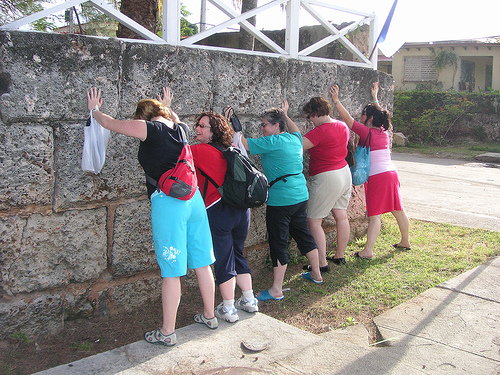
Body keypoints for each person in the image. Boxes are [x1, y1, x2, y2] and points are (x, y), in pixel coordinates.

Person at [86, 87, 218, 347]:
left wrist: (94, 110)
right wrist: (167, 105)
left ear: (143, 118)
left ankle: (167, 332)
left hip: (169, 202)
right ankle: (210, 316)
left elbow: (111, 124)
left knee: (171, 271)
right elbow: (175, 117)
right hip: (194, 199)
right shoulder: (180, 128)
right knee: (202, 262)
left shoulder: (149, 129)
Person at [238, 107, 323, 301]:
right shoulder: (295, 139)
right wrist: (285, 115)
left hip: (280, 201)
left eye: (264, 124)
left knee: (278, 241)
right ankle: (317, 274)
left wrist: (233, 125)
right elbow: (296, 132)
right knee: (303, 234)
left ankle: (277, 289)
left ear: (276, 125)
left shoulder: (273, 141)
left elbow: (244, 144)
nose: (262, 128)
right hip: (300, 196)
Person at [189, 111, 259, 323]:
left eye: (203, 126)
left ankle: (228, 308)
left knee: (223, 257)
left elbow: (177, 150)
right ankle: (249, 300)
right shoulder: (232, 149)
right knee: (238, 252)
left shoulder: (198, 151)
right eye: (198, 125)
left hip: (218, 210)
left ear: (214, 131)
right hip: (241, 210)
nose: (198, 129)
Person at [329, 82, 411, 259]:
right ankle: (405, 240)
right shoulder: (383, 131)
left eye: (364, 114)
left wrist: (336, 101)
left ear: (371, 119)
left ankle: (368, 251)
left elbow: (348, 120)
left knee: (374, 215)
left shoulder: (368, 133)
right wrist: (375, 98)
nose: (361, 116)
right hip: (391, 174)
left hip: (378, 177)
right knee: (398, 209)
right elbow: (382, 114)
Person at [282, 97, 351, 271]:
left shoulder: (320, 132)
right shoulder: (342, 125)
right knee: (341, 216)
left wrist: (286, 117)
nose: (310, 121)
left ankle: (321, 263)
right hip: (344, 172)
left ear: (316, 113)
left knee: (313, 221)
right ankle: (340, 255)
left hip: (327, 177)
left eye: (310, 116)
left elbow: (297, 144)